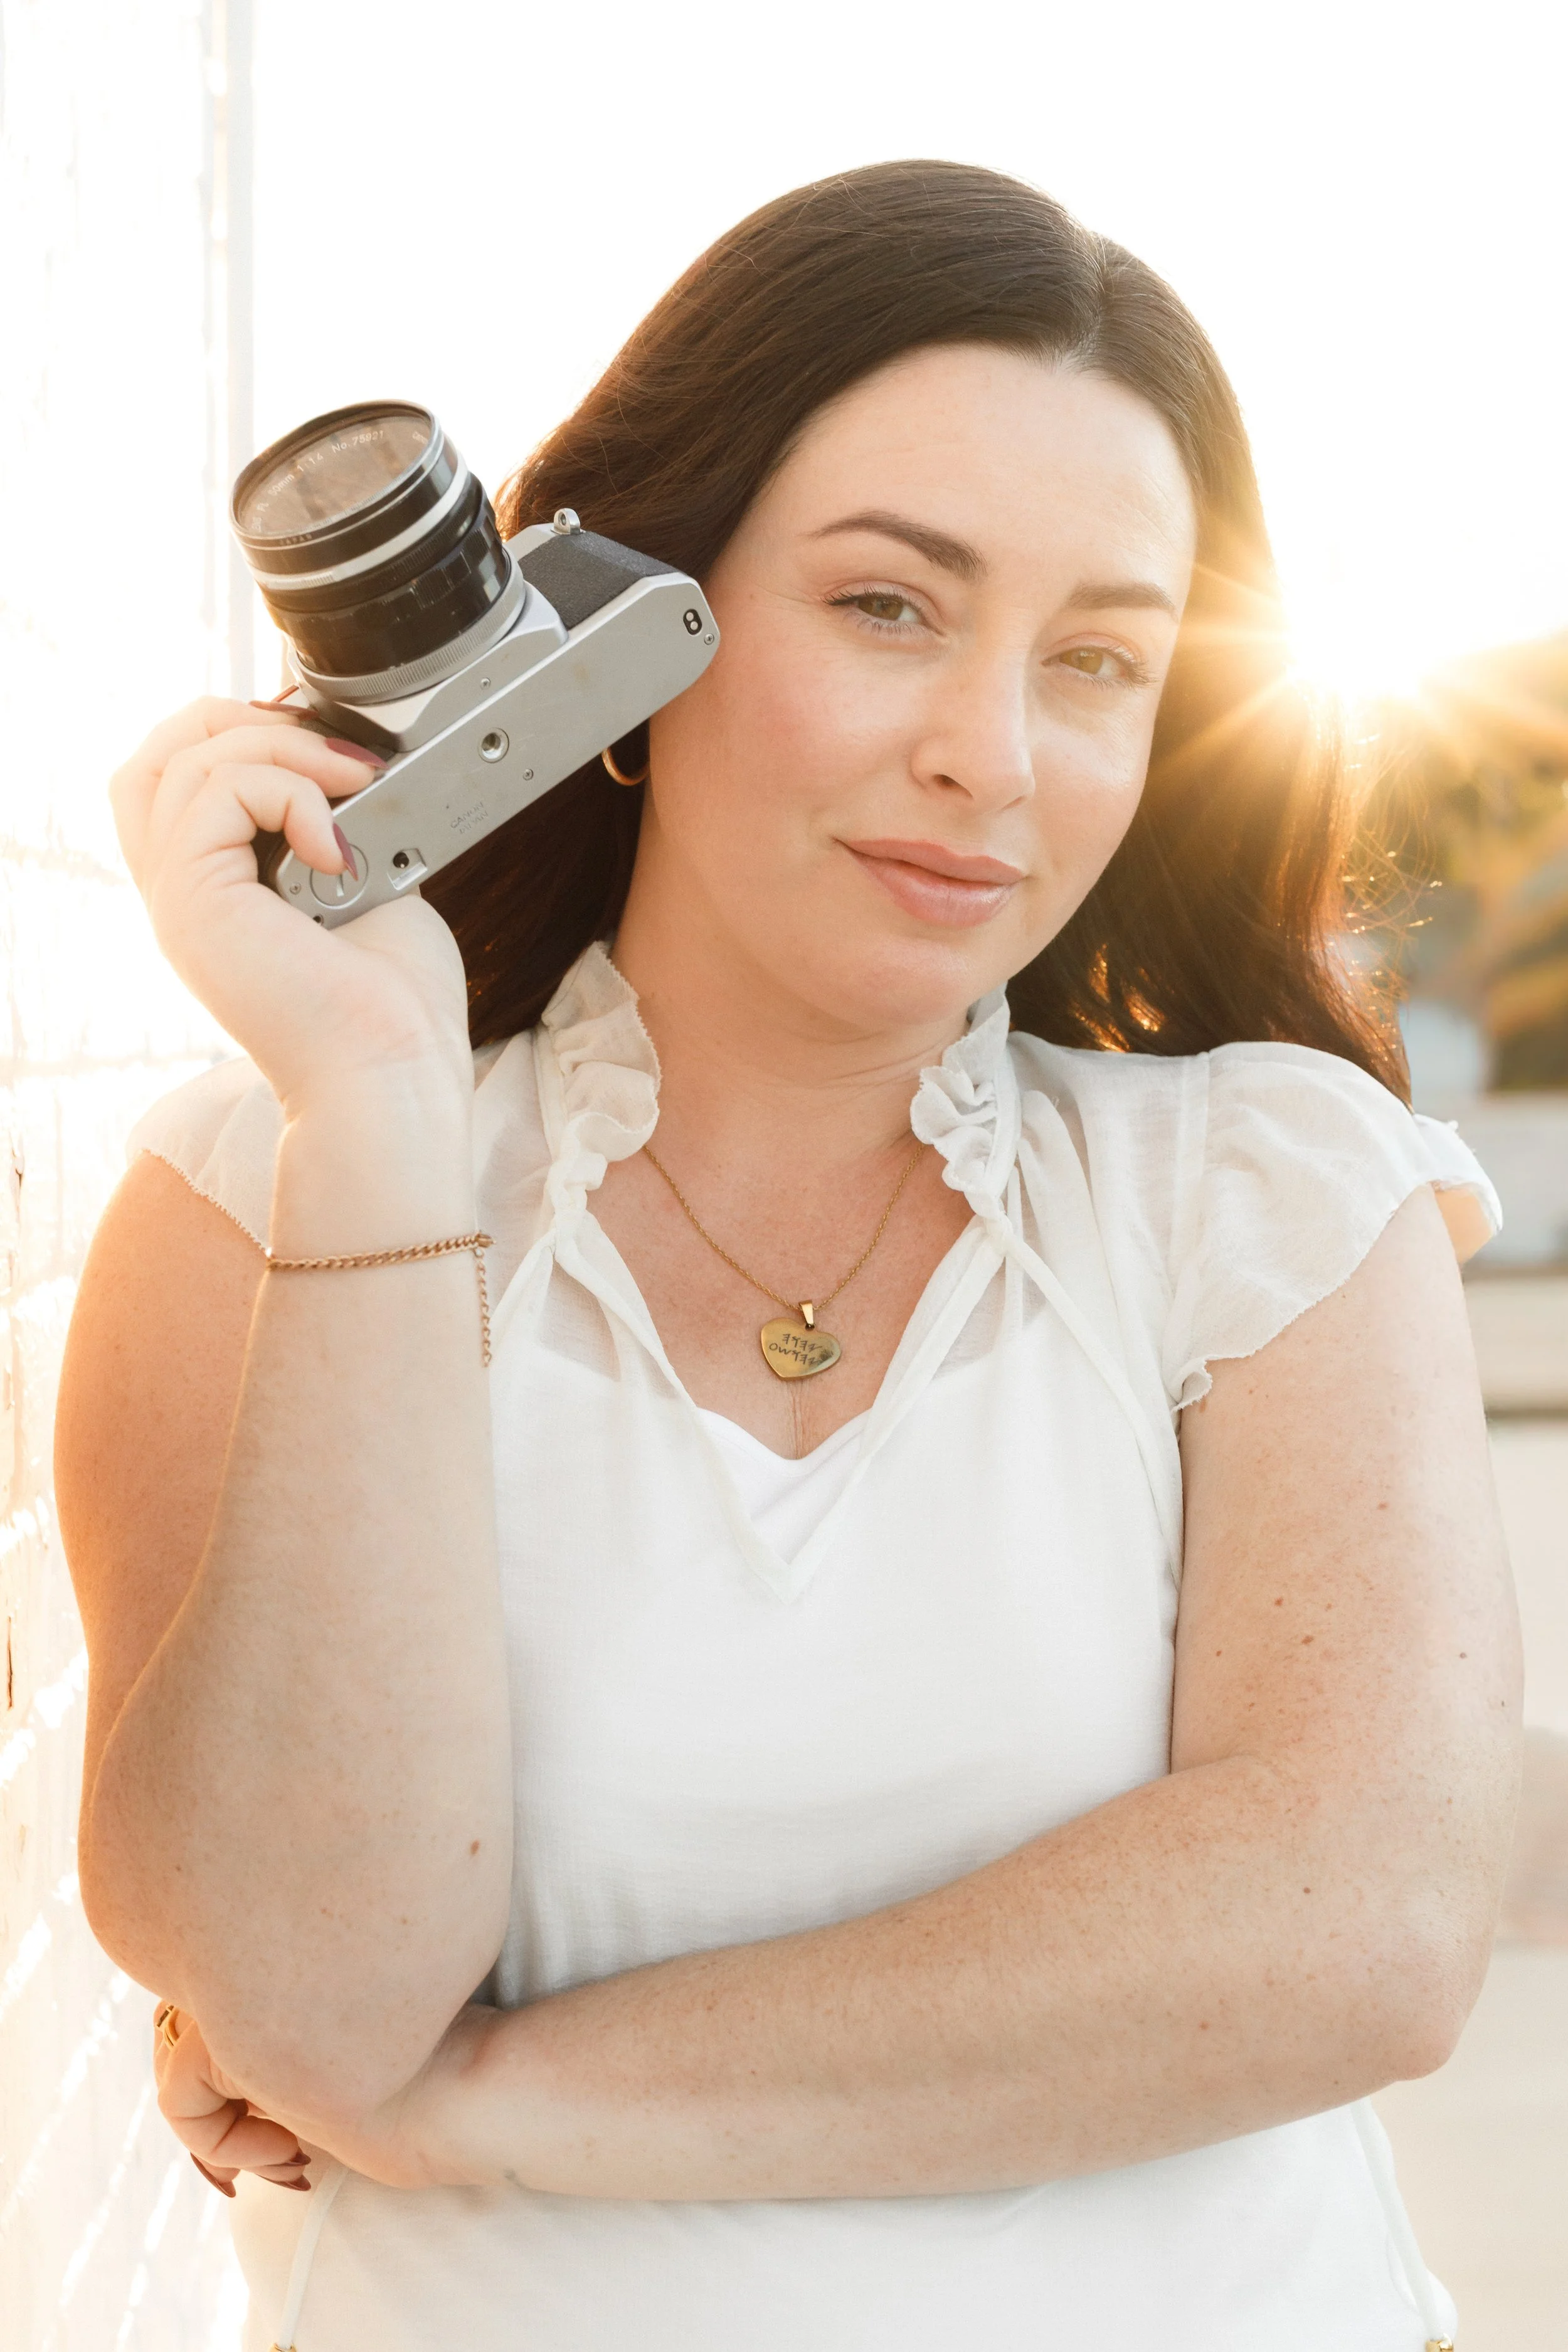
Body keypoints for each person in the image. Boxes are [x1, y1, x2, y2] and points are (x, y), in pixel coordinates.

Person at [57, 161, 1520, 2351]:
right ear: (617, 634)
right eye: (889, 607)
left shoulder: (1269, 1195)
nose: (990, 755)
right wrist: (367, 1104)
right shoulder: (258, 1195)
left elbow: (1361, 1928)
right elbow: (308, 1978)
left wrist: (475, 2095)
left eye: (1099, 658)